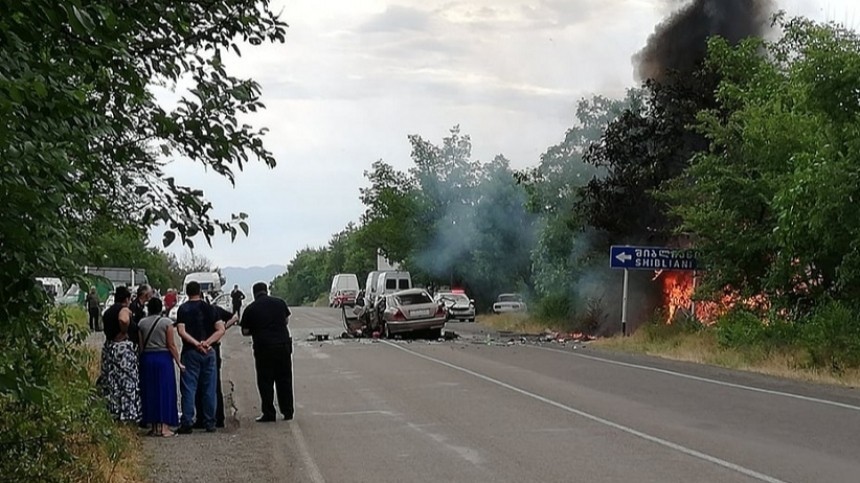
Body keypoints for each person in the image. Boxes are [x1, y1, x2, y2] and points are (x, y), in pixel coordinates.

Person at [175, 281, 227, 433]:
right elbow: (221, 329)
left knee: (189, 387)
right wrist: (207, 343)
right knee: (209, 387)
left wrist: (196, 344)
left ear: (187, 291)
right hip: (209, 351)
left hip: (191, 351)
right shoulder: (210, 308)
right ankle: (210, 421)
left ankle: (187, 421)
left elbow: (181, 331)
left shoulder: (183, 309)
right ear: (200, 291)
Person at [240, 282, 293, 422]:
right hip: (283, 346)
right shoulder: (279, 303)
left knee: (265, 381)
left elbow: (245, 331)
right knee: (284, 379)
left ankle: (269, 413)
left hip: (263, 348)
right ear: (267, 291)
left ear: (254, 293)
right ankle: (288, 411)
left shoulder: (250, 309)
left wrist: (256, 330)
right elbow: (286, 320)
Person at [138, 298, 183, 437]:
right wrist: (178, 362)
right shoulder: (166, 323)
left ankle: (153, 426)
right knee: (165, 391)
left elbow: (141, 346)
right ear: (160, 308)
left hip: (147, 358)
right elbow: (171, 344)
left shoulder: (141, 323)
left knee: (150, 392)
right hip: (163, 359)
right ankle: (164, 427)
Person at [193, 298, 239, 429]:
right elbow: (235, 317)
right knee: (214, 383)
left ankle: (201, 417)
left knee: (198, 384)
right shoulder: (214, 310)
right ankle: (218, 417)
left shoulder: (191, 310)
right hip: (213, 346)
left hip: (196, 346)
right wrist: (223, 328)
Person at [98, 286, 141, 422]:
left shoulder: (108, 312)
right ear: (127, 299)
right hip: (122, 350)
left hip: (109, 348)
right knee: (127, 382)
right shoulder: (124, 309)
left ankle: (113, 412)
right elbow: (124, 319)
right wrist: (124, 331)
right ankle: (128, 415)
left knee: (111, 382)